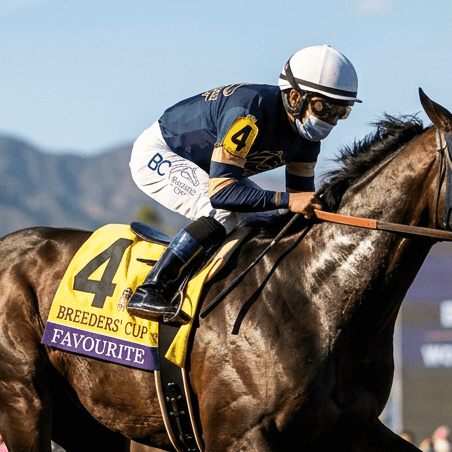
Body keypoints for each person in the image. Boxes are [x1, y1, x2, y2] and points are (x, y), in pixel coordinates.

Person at [125, 45, 361, 321]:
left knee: (275, 218)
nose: (330, 119)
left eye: (340, 112)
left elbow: (298, 210)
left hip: (213, 171)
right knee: (221, 213)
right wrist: (288, 201)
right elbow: (222, 194)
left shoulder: (307, 139)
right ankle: (151, 289)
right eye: (324, 107)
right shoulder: (249, 112)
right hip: (161, 152)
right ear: (295, 97)